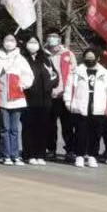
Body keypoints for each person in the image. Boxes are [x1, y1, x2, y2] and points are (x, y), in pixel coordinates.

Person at [65, 47, 107, 168]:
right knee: (80, 132)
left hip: (98, 107)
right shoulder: (76, 72)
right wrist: (68, 101)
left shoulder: (105, 73)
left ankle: (92, 156)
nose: (89, 60)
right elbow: (69, 87)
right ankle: (79, 155)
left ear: (97, 58)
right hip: (81, 106)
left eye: (92, 58)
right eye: (87, 58)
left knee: (96, 133)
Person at [0, 34, 35, 165]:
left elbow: (29, 76)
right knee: (4, 128)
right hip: (2, 97)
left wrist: (22, 85)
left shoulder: (20, 58)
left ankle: (15, 154)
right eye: (6, 40)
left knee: (15, 129)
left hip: (17, 98)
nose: (9, 43)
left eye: (12, 40)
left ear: (16, 42)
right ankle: (5, 154)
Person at [21, 35, 59, 165]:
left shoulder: (45, 60)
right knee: (29, 127)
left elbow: (55, 76)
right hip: (28, 99)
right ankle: (29, 154)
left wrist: (49, 86)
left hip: (44, 100)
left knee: (43, 127)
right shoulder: (23, 59)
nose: (32, 45)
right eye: (30, 42)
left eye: (35, 42)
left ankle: (40, 154)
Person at [46, 31, 78, 161]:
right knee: (49, 125)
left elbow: (74, 73)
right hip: (49, 95)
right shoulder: (43, 54)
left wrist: (70, 92)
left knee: (68, 125)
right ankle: (51, 149)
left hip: (65, 96)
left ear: (59, 39)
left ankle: (70, 150)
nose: (52, 39)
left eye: (54, 36)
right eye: (49, 36)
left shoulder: (68, 54)